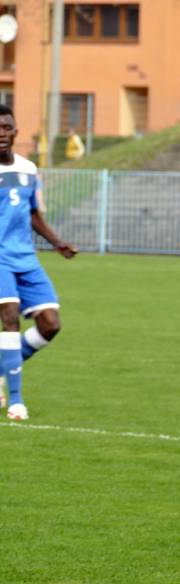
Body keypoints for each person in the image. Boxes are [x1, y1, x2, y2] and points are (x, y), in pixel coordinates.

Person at [0, 104, 78, 420]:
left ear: (16, 131)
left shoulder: (29, 169)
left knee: (50, 323)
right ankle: (15, 400)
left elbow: (33, 214)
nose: (1, 134)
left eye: (6, 127)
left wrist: (57, 243)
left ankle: (3, 364)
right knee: (9, 316)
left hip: (25, 257)